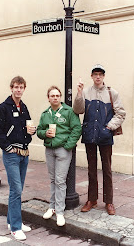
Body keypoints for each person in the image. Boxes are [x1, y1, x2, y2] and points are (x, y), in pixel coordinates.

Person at [73, 64, 126, 215]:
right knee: (91, 170)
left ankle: (109, 202)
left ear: (103, 76)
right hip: (89, 135)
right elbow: (78, 110)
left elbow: (121, 113)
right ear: (91, 76)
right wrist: (78, 93)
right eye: (95, 74)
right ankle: (92, 199)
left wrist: (109, 127)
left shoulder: (112, 93)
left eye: (100, 74)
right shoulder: (85, 92)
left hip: (105, 136)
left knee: (107, 170)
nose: (98, 77)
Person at [0, 76, 36, 241]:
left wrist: (31, 132)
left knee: (18, 190)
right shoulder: (3, 108)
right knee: (16, 190)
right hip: (11, 154)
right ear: (11, 88)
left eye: (21, 87)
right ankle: (16, 228)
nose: (18, 90)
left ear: (24, 89)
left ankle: (12, 221)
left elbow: (27, 128)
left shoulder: (24, 107)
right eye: (16, 87)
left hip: (24, 153)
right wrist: (7, 147)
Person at [37, 86, 82, 226]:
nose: (55, 98)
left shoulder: (69, 111)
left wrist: (68, 146)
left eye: (57, 95)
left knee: (60, 180)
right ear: (48, 98)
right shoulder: (45, 114)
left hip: (63, 149)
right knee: (52, 179)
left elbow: (77, 129)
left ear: (60, 97)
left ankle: (60, 212)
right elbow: (39, 130)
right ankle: (52, 207)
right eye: (52, 96)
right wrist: (45, 134)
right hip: (49, 149)